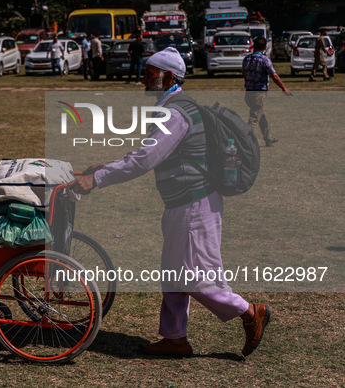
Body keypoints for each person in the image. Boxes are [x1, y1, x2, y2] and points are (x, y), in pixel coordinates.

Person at [69, 47, 271, 358]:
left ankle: (250, 312)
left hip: (194, 205)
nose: (143, 80)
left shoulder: (176, 113)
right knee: (174, 273)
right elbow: (150, 153)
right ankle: (176, 338)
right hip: (185, 204)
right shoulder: (173, 108)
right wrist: (105, 166)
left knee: (197, 277)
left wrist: (96, 179)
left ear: (168, 77)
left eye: (149, 74)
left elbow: (146, 159)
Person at [242, 36, 292, 147]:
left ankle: (268, 139)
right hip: (259, 94)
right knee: (254, 118)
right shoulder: (264, 60)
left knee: (261, 115)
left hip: (249, 93)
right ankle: (243, 141)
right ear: (265, 47)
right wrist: (284, 88)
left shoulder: (247, 59)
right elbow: (274, 75)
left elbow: (244, 74)